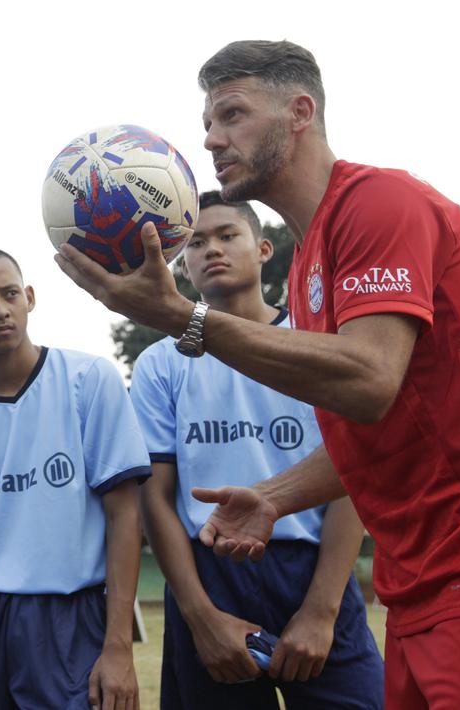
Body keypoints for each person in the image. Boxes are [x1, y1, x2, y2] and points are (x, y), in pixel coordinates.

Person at [54, 39, 460, 708]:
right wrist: (276, 496)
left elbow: (368, 380)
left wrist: (183, 318)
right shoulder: (309, 262)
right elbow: (374, 430)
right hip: (420, 581)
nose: (210, 140)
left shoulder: (380, 202)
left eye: (232, 115)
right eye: (207, 123)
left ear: (300, 112)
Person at [129, 190, 383, 708]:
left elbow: (349, 475)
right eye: (196, 243)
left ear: (264, 249)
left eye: (227, 235)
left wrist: (322, 610)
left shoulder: (315, 342)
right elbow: (155, 497)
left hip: (313, 571)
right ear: (182, 263)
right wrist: (200, 617)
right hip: (208, 576)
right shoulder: (161, 363)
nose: (212, 249)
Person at [0, 246, 149, 710]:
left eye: (9, 294)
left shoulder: (89, 380)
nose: (0, 310)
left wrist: (118, 647)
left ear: (29, 297)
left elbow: (124, 515)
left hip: (71, 616)